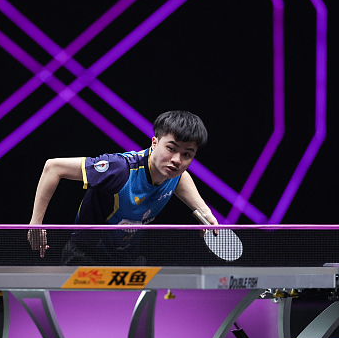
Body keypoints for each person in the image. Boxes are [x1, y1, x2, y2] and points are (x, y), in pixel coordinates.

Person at [27, 110, 218, 264]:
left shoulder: (173, 173)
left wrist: (204, 212)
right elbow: (53, 167)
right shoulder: (120, 169)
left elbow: (181, 177)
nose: (177, 160)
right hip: (86, 257)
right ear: (154, 143)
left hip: (127, 260)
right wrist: (36, 224)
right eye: (171, 148)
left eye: (186, 154)